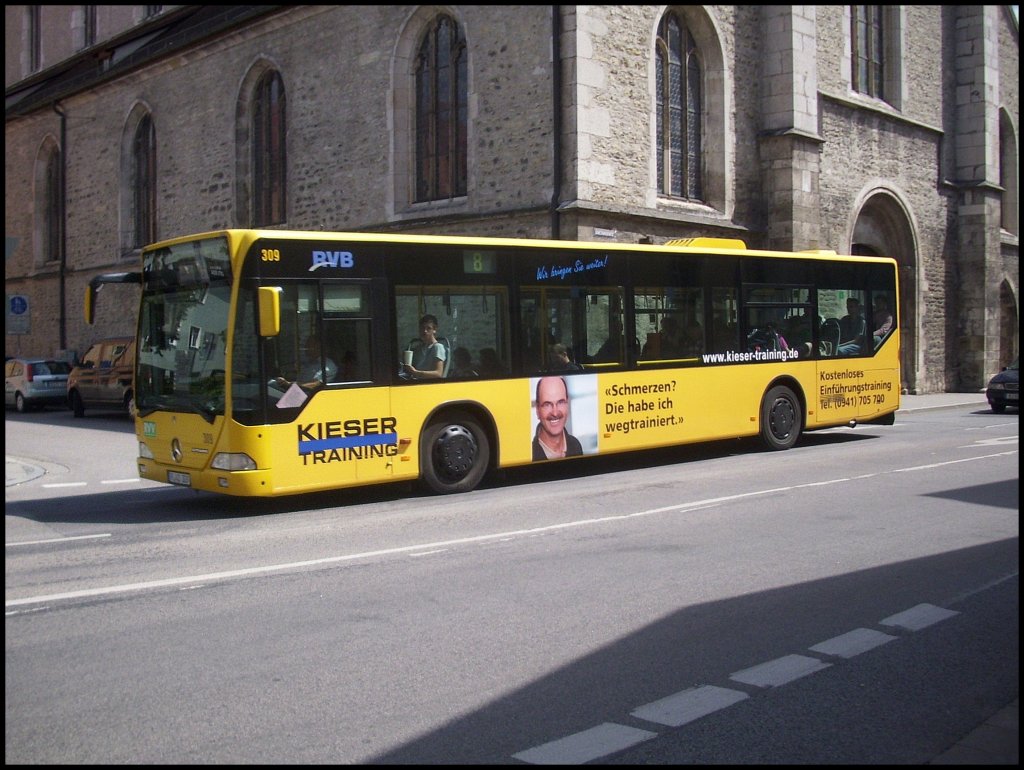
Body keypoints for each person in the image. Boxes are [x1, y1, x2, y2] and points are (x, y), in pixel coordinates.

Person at [532, 376, 584, 461]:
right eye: (547, 404)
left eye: (560, 402)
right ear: (538, 410)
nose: (555, 413)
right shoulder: (530, 455)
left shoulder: (575, 445)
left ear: (567, 404)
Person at [271, 328, 337, 391]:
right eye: (306, 344)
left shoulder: (328, 365)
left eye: (309, 344)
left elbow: (313, 385)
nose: (306, 347)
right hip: (296, 393)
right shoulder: (308, 362)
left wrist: (289, 384)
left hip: (310, 397)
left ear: (318, 346)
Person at [402, 314, 447, 379]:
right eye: (422, 328)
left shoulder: (438, 347)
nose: (425, 331)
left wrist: (415, 372)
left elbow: (438, 373)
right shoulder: (418, 348)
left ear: (434, 329)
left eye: (428, 328)